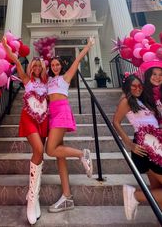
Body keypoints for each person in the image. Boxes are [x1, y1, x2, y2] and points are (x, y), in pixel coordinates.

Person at [2, 36, 48, 225]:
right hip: (29, 118)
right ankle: (31, 198)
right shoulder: (26, 79)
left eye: (39, 66)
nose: (36, 68)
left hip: (44, 119)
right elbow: (14, 59)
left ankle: (34, 197)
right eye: (34, 66)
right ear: (31, 68)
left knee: (41, 154)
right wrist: (5, 46)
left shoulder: (47, 83)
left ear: (42, 69)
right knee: (38, 149)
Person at [45, 36, 95, 213]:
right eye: (52, 65)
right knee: (59, 155)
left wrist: (88, 45)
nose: (55, 67)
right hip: (52, 114)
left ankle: (83, 154)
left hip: (62, 112)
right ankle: (67, 197)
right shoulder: (49, 81)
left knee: (50, 150)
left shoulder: (65, 77)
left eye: (57, 64)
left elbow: (78, 59)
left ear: (62, 66)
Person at [113, 74, 162, 221]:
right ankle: (135, 195)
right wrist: (129, 144)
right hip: (145, 147)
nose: (137, 88)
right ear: (127, 88)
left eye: (140, 86)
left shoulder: (141, 101)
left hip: (155, 147)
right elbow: (116, 122)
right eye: (133, 86)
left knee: (158, 190)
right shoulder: (126, 100)